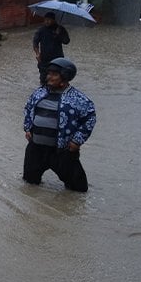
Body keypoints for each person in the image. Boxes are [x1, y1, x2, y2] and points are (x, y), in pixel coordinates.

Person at [22, 57, 96, 192]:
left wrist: (77, 141)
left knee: (78, 190)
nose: (49, 77)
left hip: (63, 152)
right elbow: (28, 108)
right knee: (29, 184)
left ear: (65, 77)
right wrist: (27, 128)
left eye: (54, 74)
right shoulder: (39, 93)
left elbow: (90, 119)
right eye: (48, 73)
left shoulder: (79, 99)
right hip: (36, 149)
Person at [32, 12, 70, 86]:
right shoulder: (41, 30)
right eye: (45, 20)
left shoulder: (60, 29)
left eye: (49, 20)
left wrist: (59, 34)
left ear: (54, 20)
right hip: (44, 59)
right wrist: (37, 53)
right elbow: (35, 42)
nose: (46, 21)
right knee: (44, 79)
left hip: (58, 59)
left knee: (59, 79)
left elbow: (66, 41)